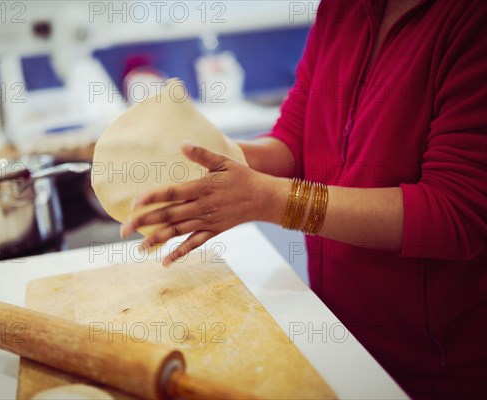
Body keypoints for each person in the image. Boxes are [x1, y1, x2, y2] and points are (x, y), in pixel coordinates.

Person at [120, 0, 487, 398]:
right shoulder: (342, 8)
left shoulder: (472, 20)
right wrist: (206, 156)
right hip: (336, 334)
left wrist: (269, 200)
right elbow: (294, 141)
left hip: (433, 370)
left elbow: (454, 211)